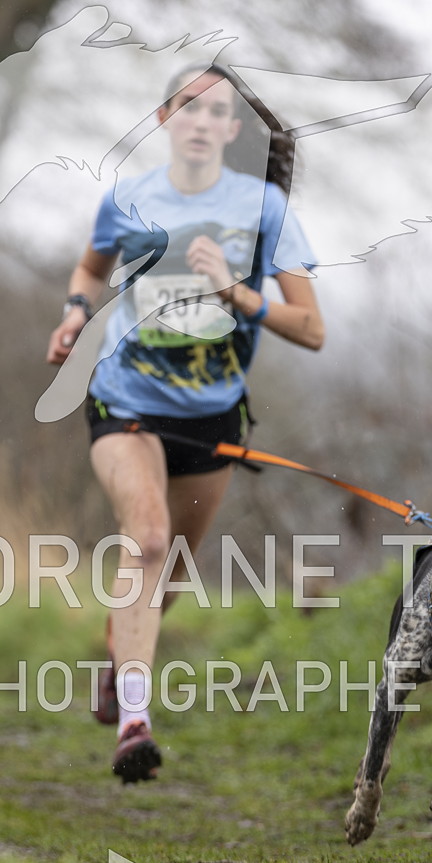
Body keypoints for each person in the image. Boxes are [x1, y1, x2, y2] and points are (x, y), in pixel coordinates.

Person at [47, 66, 324, 782]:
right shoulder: (128, 198)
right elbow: (90, 269)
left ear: (232, 130)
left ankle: (121, 649)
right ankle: (134, 720)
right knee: (146, 540)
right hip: (125, 403)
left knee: (167, 571)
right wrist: (75, 313)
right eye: (188, 107)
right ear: (164, 117)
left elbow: (311, 329)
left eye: (216, 111)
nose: (200, 120)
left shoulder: (263, 208)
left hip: (212, 418)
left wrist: (236, 292)